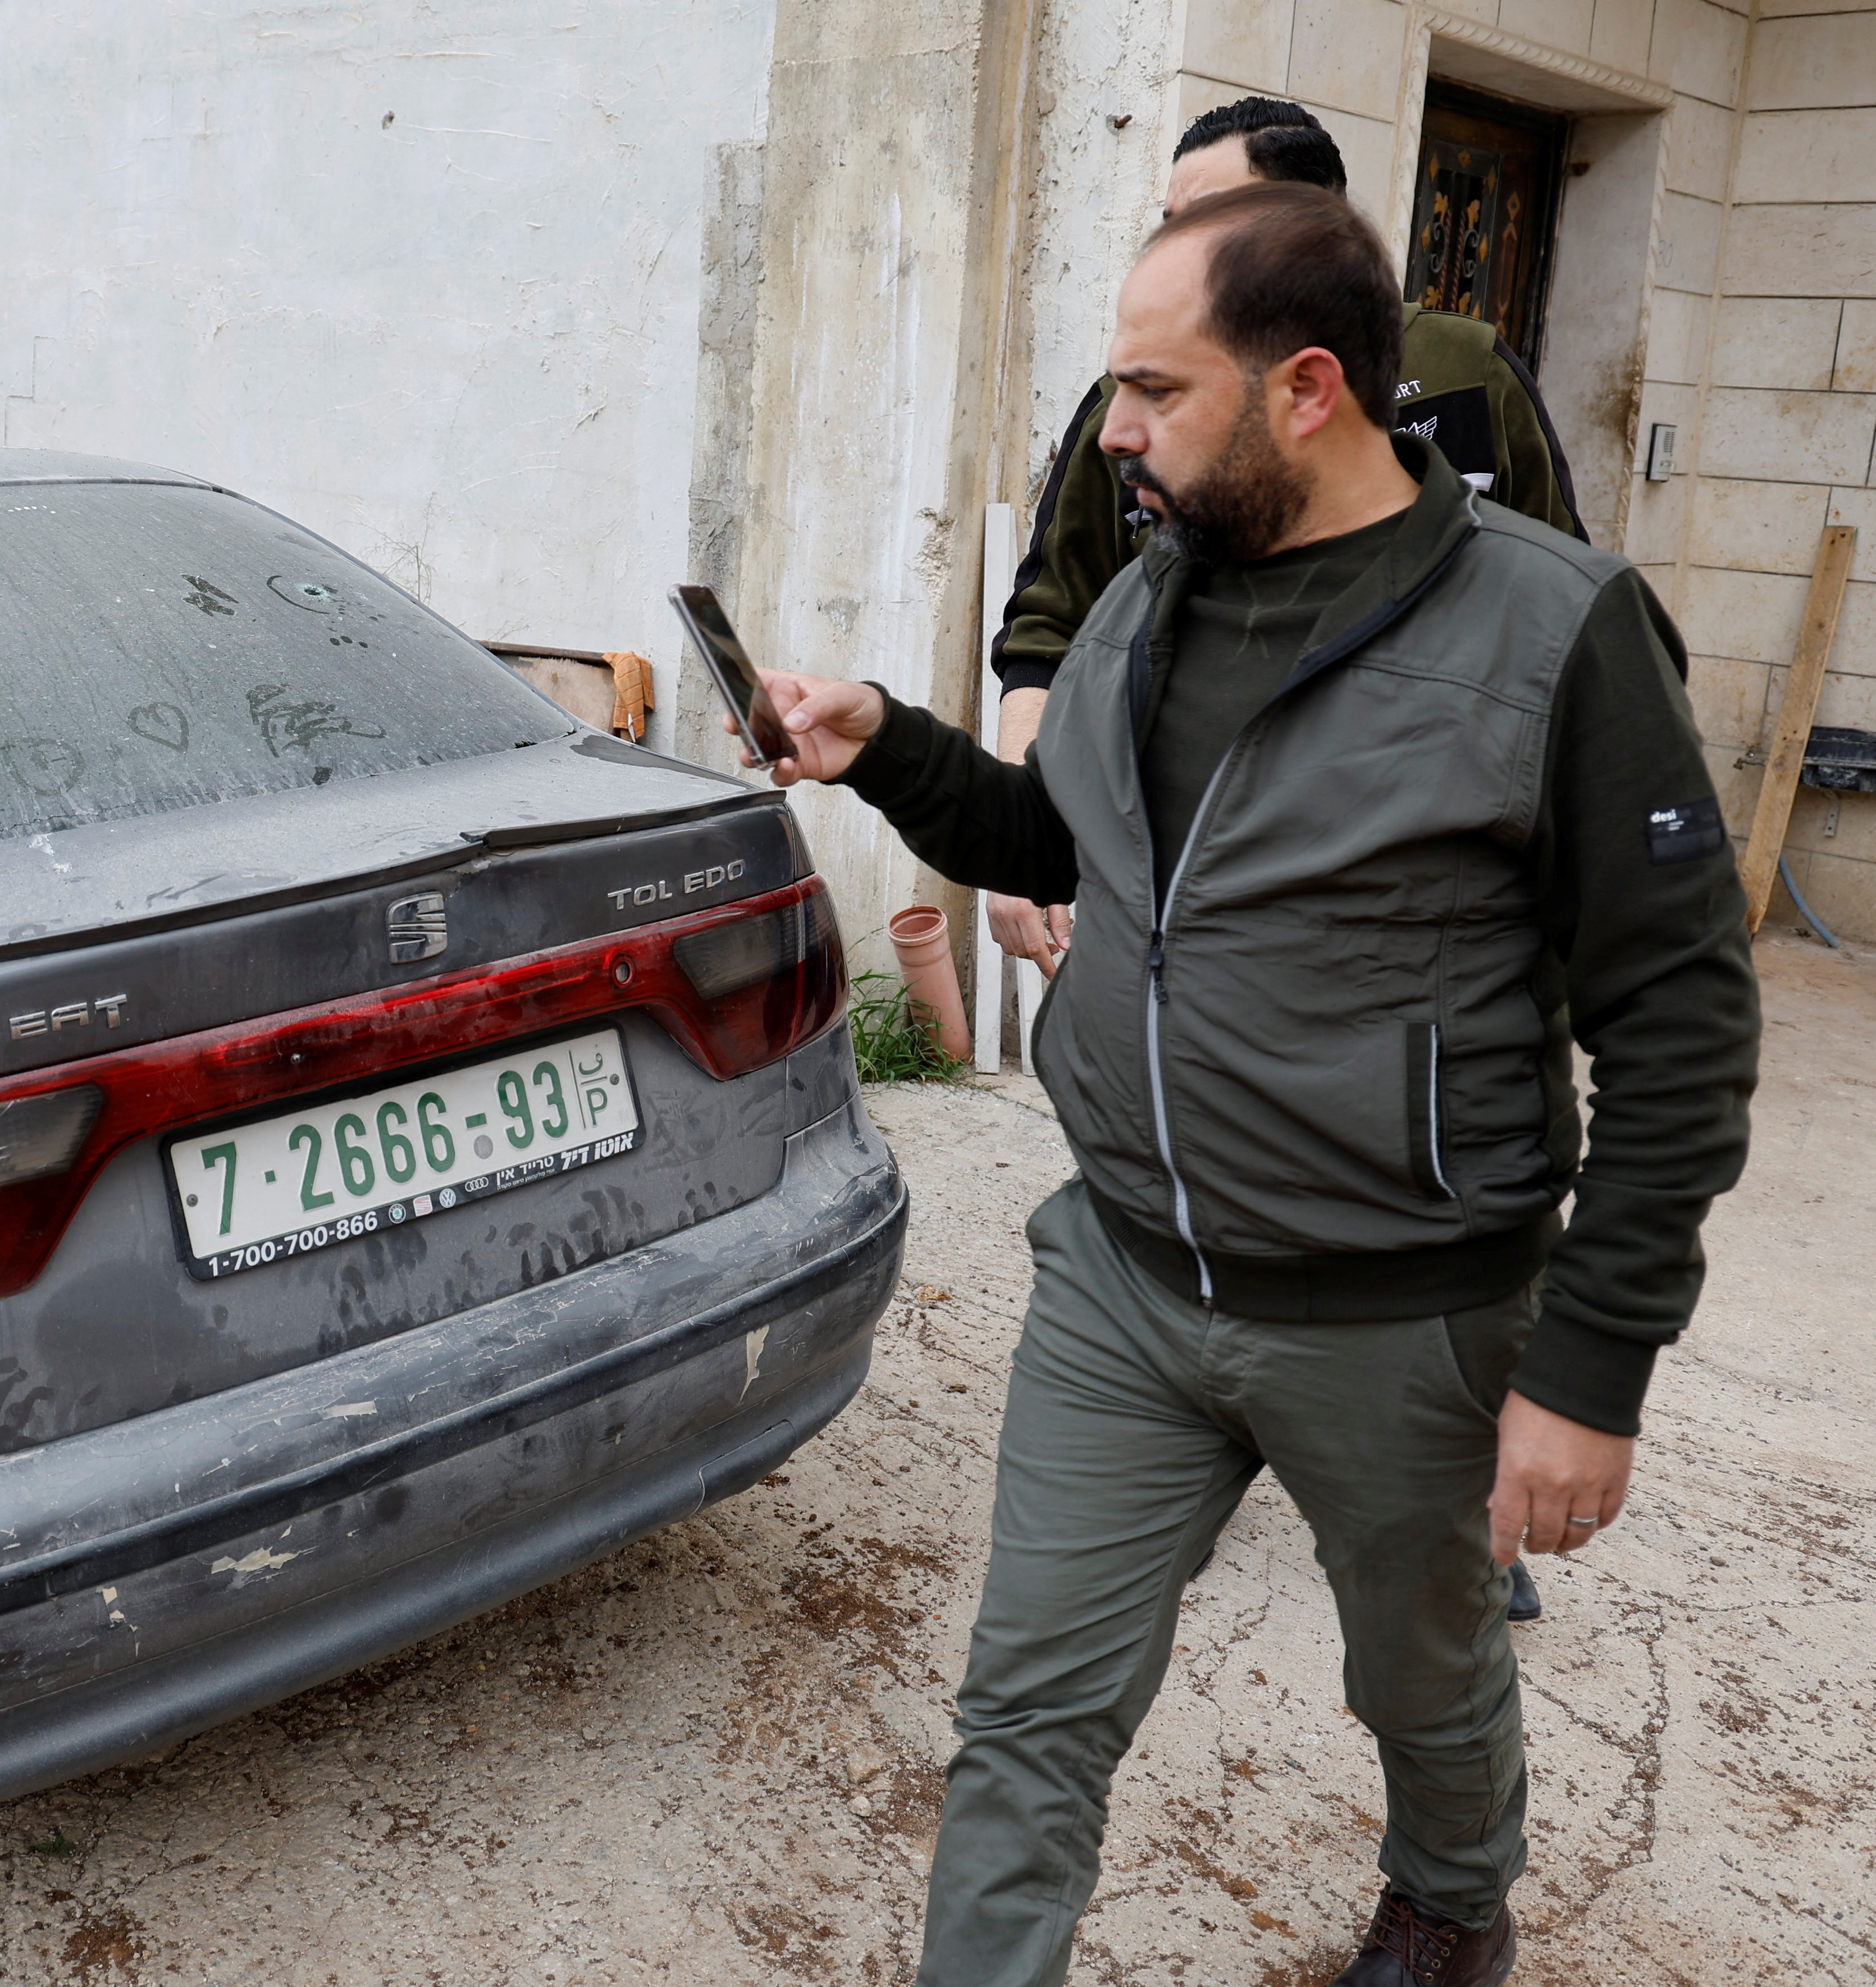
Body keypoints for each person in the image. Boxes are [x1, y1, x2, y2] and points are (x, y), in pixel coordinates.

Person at [733, 185, 1758, 1985]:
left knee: (1421, 1670)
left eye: (1152, 388)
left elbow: (1678, 1026)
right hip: (1124, 1279)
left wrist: (1589, 1367)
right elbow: (1065, 839)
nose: (1113, 432)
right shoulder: (1149, 595)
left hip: (1401, 1315)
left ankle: (1450, 1900)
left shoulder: (1557, 632)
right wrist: (882, 743)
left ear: (1303, 390)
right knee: (1027, 1710)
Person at [986, 97, 1581, 980]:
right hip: (1180, 899)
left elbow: (1558, 638)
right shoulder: (1131, 407)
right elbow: (1048, 628)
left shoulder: (1466, 376)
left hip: (1418, 925)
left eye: (1216, 223)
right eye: (1171, 226)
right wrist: (1021, 834)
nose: (1179, 252)